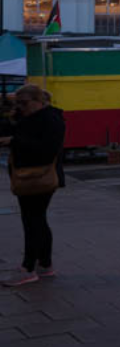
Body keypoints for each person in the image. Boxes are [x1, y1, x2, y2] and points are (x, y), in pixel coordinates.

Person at [1, 84, 66, 286]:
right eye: (18, 103)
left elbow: (47, 149)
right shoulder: (31, 117)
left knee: (32, 222)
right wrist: (11, 117)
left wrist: (14, 141)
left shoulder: (50, 119)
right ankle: (44, 264)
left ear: (38, 101)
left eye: (24, 103)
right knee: (38, 220)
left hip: (39, 176)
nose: (21, 107)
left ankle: (28, 269)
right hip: (31, 176)